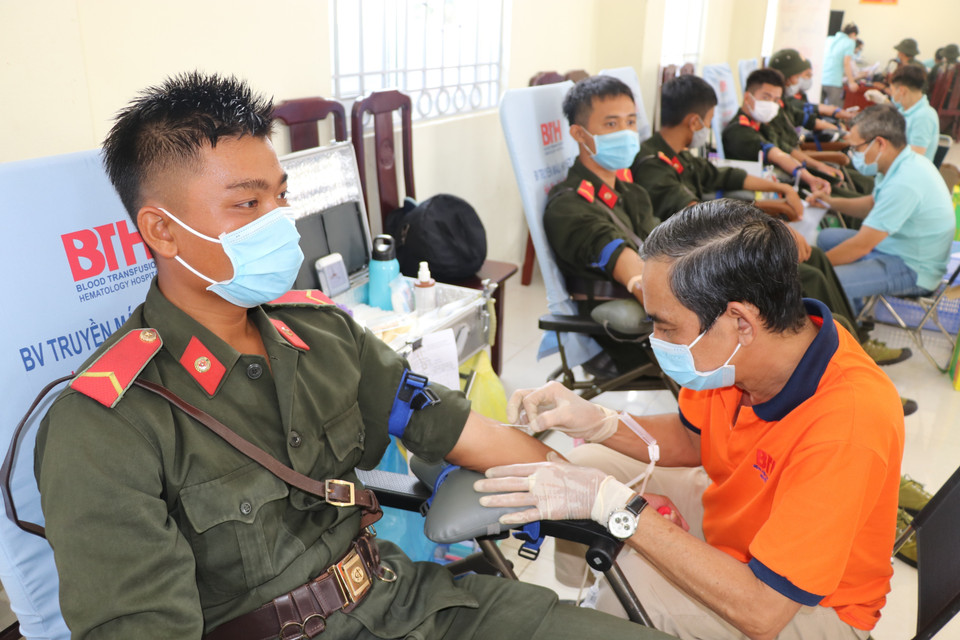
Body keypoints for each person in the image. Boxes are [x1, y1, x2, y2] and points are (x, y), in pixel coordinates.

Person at [33, 72, 672, 640]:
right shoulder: (105, 425)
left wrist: (607, 497)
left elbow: (464, 432)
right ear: (161, 230)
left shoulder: (323, 337)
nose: (280, 222)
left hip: (408, 601)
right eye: (246, 203)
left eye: (279, 197)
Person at [476, 199, 905, 640]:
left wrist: (624, 512)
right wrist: (599, 422)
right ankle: (594, 600)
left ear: (740, 321)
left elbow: (762, 611)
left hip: (809, 606)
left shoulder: (848, 423)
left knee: (634, 586)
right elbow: (692, 437)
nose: (655, 341)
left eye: (666, 327)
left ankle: (606, 614)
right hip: (743, 519)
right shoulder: (750, 355)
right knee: (590, 466)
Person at [633, 74, 909, 368]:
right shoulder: (653, 166)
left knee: (815, 256)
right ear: (694, 122)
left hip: (715, 251)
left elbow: (723, 174)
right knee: (807, 275)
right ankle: (839, 367)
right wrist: (771, 226)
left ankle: (854, 350)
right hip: (700, 265)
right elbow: (700, 220)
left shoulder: (678, 156)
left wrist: (781, 189)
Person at [543, 75, 660, 373]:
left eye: (631, 122)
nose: (626, 133)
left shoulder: (632, 193)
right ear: (579, 134)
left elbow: (663, 246)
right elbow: (620, 256)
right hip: (629, 341)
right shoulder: (568, 206)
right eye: (611, 124)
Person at [810, 105, 955, 311]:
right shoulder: (899, 164)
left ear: (879, 144)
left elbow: (861, 246)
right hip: (897, 247)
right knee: (826, 238)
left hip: (914, 268)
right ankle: (852, 302)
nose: (853, 155)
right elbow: (872, 205)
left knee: (826, 281)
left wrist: (811, 269)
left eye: (856, 148)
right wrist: (830, 202)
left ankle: (851, 326)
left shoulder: (905, 182)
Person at [722, 68, 868, 197]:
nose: (771, 104)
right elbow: (777, 155)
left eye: (776, 100)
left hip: (788, 178)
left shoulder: (761, 123)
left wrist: (818, 167)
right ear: (748, 97)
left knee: (854, 187)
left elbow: (787, 150)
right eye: (766, 97)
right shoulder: (739, 131)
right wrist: (809, 178)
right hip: (776, 189)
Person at [768, 48, 857, 137]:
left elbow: (806, 119)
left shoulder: (787, 102)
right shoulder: (774, 105)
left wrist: (841, 132)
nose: (797, 81)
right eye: (797, 76)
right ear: (784, 76)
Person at [822, 23, 860, 106]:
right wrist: (851, 82)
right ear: (853, 34)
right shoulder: (850, 42)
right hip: (834, 81)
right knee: (834, 111)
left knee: (820, 109)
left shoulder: (828, 39)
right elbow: (846, 63)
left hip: (821, 79)